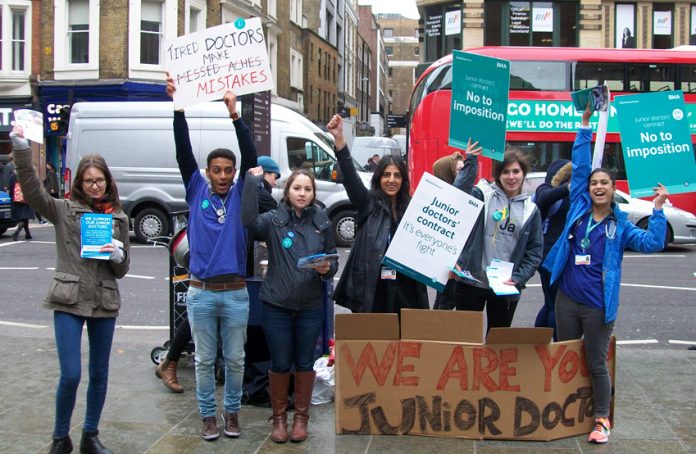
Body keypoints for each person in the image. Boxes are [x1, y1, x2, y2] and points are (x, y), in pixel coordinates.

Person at [543, 106, 667, 444]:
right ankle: (563, 410)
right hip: (567, 301)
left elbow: (653, 243)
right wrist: (584, 127)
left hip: (598, 306)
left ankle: (601, 419)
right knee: (565, 354)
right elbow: (580, 167)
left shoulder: (621, 225)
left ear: (613, 190)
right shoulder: (579, 210)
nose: (598, 187)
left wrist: (657, 210)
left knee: (596, 362)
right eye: (595, 183)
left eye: (604, 184)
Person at [10, 125, 130, 454]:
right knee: (71, 374)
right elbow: (34, 193)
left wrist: (117, 253)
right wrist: (21, 151)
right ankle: (60, 437)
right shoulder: (64, 211)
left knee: (100, 373)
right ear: (79, 183)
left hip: (104, 301)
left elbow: (122, 269)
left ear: (108, 182)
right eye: (89, 180)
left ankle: (90, 435)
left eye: (99, 180)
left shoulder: (119, 218)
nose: (94, 186)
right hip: (69, 298)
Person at [166, 74, 256, 441]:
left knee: (235, 360)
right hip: (201, 292)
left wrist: (235, 115)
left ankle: (231, 413)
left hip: (235, 293)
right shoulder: (195, 188)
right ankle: (208, 416)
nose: (222, 175)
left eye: (227, 171)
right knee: (204, 360)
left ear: (234, 174)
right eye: (216, 170)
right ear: (207, 172)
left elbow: (250, 154)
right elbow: (181, 150)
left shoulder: (241, 193)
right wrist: (178, 109)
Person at [242, 167, 338, 443]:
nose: (302, 194)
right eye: (297, 188)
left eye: (308, 189)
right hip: (276, 305)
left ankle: (300, 419)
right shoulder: (273, 220)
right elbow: (247, 220)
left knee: (305, 362)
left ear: (313, 193)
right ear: (288, 191)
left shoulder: (322, 220)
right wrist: (251, 182)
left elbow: (332, 260)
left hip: (309, 306)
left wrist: (325, 269)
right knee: (281, 362)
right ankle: (280, 419)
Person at [328, 114, 429, 313]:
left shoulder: (412, 208)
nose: (391, 180)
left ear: (403, 180)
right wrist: (340, 141)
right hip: (374, 288)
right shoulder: (368, 203)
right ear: (379, 177)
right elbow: (349, 176)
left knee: (405, 342)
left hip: (406, 289)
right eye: (386, 175)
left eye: (397, 175)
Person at [452, 145, 543, 331]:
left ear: (523, 173)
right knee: (466, 342)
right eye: (506, 171)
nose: (511, 177)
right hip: (471, 283)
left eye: (516, 171)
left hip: (504, 288)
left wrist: (518, 278)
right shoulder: (483, 194)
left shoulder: (531, 209)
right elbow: (457, 195)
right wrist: (470, 160)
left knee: (496, 347)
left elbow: (534, 253)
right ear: (498, 174)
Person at [533, 159, 572, 339]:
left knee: (550, 303)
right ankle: (555, 348)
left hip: (558, 256)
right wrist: (568, 188)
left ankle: (538, 344)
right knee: (556, 305)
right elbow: (543, 198)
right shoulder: (546, 191)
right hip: (550, 257)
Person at [8, 166, 35, 240]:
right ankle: (21, 232)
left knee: (22, 217)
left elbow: (10, 189)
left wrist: (12, 197)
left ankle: (27, 233)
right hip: (25, 199)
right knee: (24, 217)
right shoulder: (24, 176)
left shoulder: (12, 177)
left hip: (16, 199)